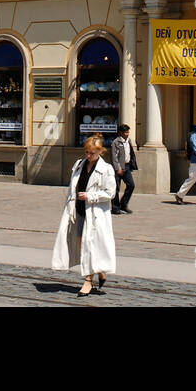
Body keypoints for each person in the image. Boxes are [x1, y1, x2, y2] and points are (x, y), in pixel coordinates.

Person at [51, 135, 117, 297]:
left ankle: (88, 280)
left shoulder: (106, 169)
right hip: (79, 211)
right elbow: (72, 188)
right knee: (81, 245)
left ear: (100, 152)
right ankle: (99, 270)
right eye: (87, 152)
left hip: (95, 214)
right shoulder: (79, 165)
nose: (88, 155)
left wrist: (90, 196)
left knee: (90, 246)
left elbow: (111, 193)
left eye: (92, 153)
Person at [110, 124, 137, 214]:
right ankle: (115, 207)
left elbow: (131, 153)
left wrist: (132, 163)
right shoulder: (115, 142)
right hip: (118, 168)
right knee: (116, 188)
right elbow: (114, 157)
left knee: (131, 185)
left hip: (127, 167)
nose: (127, 134)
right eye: (125, 132)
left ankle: (123, 204)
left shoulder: (128, 141)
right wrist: (118, 168)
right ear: (120, 133)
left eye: (128, 132)